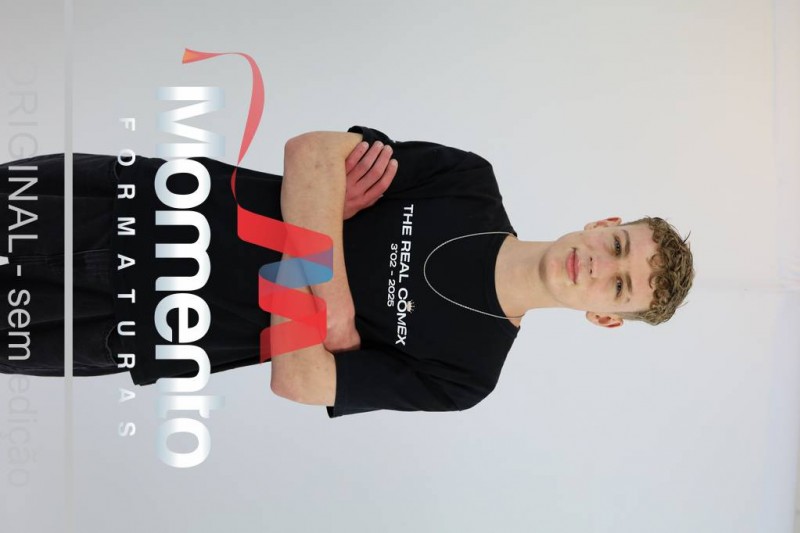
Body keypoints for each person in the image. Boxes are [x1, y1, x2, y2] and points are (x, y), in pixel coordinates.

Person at [0, 126, 694, 418]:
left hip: (138, 325)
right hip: (146, 204)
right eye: (618, 244)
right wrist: (326, 300)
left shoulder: (466, 373)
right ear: (604, 221)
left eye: (618, 286)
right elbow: (311, 153)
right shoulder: (465, 182)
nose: (600, 265)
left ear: (605, 317)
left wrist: (318, 219)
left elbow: (300, 381)